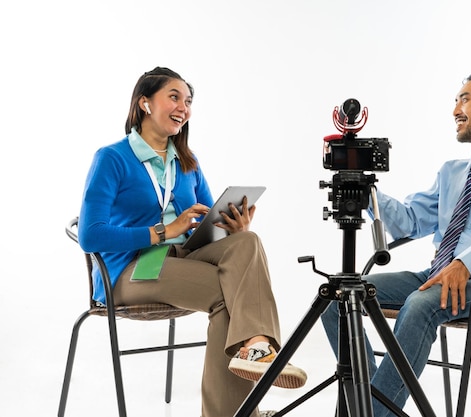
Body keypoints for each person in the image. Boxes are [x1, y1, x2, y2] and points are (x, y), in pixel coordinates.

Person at [321, 73, 471, 416]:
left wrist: (466, 261)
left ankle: (371, 412)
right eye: (455, 101)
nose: (455, 110)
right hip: (436, 274)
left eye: (464, 99)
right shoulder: (452, 172)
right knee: (336, 297)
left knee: (420, 306)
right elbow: (409, 221)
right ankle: (374, 408)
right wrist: (367, 192)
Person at [78, 67, 306, 417]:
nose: (183, 107)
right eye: (174, 97)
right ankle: (236, 410)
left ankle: (257, 346)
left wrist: (232, 227)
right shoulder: (111, 158)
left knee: (248, 242)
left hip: (184, 257)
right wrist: (162, 232)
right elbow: (90, 235)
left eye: (188, 101)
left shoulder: (187, 162)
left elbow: (207, 224)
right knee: (226, 294)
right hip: (131, 270)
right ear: (144, 103)